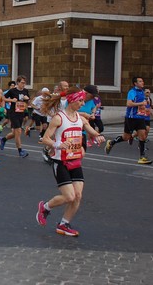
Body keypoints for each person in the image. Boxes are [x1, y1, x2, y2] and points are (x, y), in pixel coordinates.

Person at [36, 87, 105, 237]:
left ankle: (63, 224)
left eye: (82, 100)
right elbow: (45, 139)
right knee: (69, 197)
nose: (82, 103)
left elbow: (90, 130)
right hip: (61, 162)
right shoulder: (59, 118)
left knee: (78, 195)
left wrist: (98, 136)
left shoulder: (80, 118)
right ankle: (45, 207)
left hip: (75, 161)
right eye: (80, 100)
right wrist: (57, 145)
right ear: (72, 100)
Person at [105, 77, 153, 164]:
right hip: (131, 118)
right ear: (135, 83)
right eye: (140, 81)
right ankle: (111, 142)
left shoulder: (142, 92)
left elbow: (143, 104)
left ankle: (142, 157)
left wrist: (146, 107)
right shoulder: (132, 92)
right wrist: (141, 103)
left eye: (142, 81)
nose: (142, 82)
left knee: (142, 136)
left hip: (140, 118)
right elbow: (129, 103)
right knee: (126, 137)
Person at [0, 76, 30, 157]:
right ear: (18, 83)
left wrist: (27, 99)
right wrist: (11, 100)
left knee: (14, 133)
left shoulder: (25, 91)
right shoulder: (12, 91)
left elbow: (28, 102)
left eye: (24, 83)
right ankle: (20, 151)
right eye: (22, 83)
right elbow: (3, 98)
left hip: (21, 113)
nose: (23, 84)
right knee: (18, 132)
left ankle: (3, 139)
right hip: (13, 113)